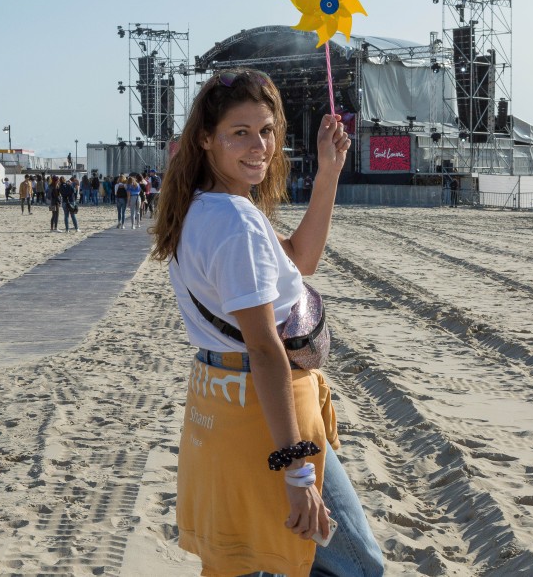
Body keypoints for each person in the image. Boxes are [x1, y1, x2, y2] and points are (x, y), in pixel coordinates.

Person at [150, 69, 383, 577]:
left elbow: (301, 258)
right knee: (357, 566)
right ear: (206, 138)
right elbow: (264, 349)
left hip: (221, 400)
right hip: (265, 410)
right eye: (241, 132)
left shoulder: (208, 207)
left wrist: (329, 172)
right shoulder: (234, 223)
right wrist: (297, 471)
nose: (260, 145)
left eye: (268, 130)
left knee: (254, 561)